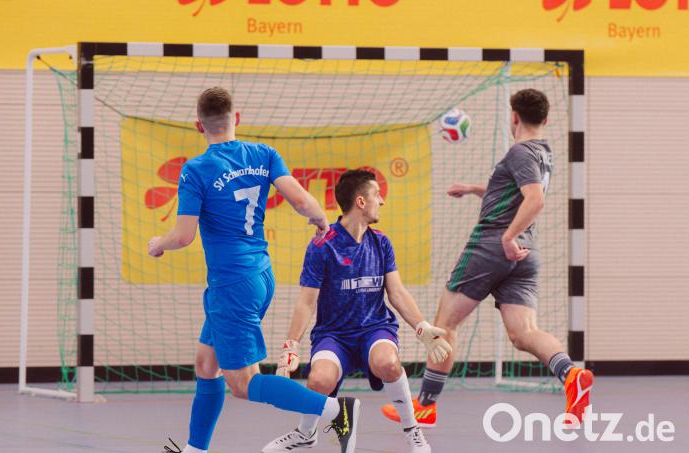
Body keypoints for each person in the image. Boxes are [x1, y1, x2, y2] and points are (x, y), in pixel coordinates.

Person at [150, 87, 361, 453]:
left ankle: (335, 409)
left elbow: (183, 236)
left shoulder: (197, 169)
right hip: (259, 276)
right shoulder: (263, 154)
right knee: (206, 362)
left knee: (243, 383)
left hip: (232, 284)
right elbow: (300, 199)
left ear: (199, 126)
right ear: (238, 119)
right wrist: (321, 219)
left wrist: (159, 243)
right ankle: (195, 449)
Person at [382, 88, 593, 429]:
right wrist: (474, 189)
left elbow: (534, 200)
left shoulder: (520, 151)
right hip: (526, 253)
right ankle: (571, 376)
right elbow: (514, 191)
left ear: (514, 117)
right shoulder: (543, 153)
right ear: (545, 119)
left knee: (444, 324)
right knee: (523, 332)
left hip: (493, 245)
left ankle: (426, 406)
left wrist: (507, 237)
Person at [262, 169, 452, 453]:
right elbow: (306, 301)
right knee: (318, 380)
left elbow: (397, 293)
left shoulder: (381, 242)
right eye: (377, 195)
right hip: (334, 334)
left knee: (388, 362)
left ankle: (412, 431)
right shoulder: (321, 246)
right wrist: (291, 345)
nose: (382, 201)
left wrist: (421, 327)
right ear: (361, 202)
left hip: (374, 329)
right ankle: (305, 433)